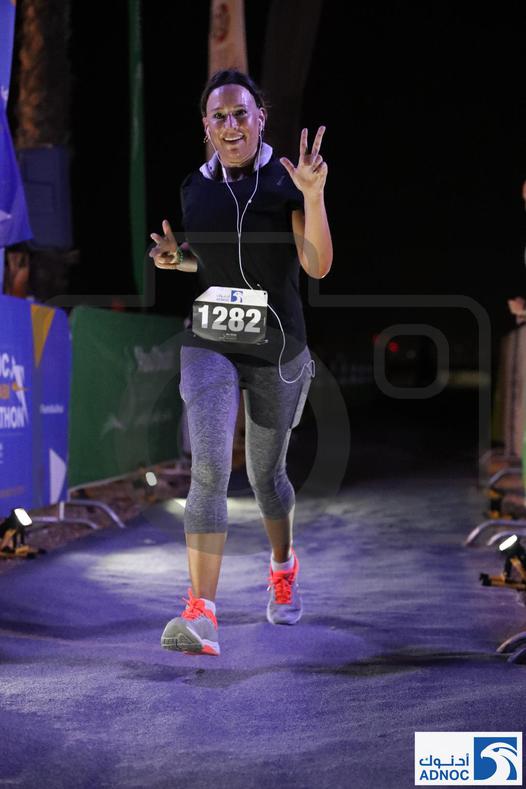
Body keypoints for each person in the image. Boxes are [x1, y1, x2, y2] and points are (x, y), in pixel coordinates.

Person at [149, 69, 332, 656]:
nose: (231, 125)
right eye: (219, 116)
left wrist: (313, 195)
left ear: (261, 119)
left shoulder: (285, 181)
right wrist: (177, 260)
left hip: (277, 348)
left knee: (265, 478)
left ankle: (282, 565)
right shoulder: (194, 188)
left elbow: (317, 265)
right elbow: (209, 262)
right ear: (206, 126)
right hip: (212, 340)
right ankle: (202, 612)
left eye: (241, 114)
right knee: (208, 469)